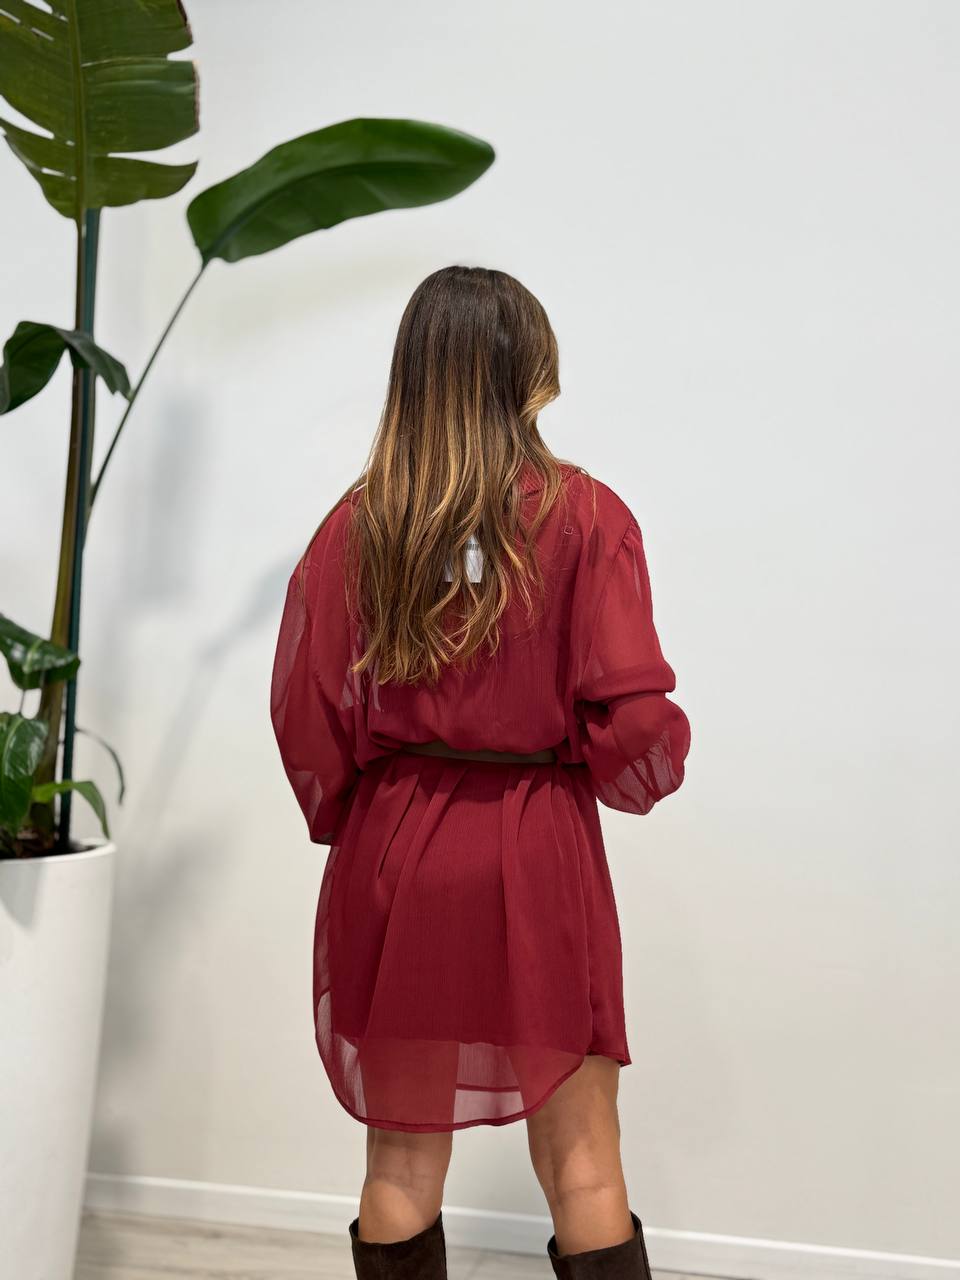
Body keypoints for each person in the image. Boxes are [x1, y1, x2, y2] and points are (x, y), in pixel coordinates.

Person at [269, 265, 691, 1279]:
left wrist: (369, 818)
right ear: (531, 369)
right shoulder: (588, 517)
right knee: (583, 1156)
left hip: (399, 853)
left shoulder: (360, 525)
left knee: (400, 1157)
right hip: (537, 843)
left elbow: (304, 715)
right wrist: (620, 761)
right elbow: (637, 720)